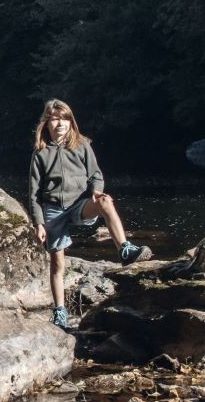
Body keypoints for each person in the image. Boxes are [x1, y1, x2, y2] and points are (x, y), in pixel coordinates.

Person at [27, 98, 151, 329]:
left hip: (78, 204)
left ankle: (124, 248)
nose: (60, 124)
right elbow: (34, 194)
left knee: (106, 201)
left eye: (64, 119)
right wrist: (39, 223)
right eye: (54, 119)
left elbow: (96, 174)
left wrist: (96, 191)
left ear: (71, 122)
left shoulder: (82, 144)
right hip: (52, 209)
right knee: (57, 263)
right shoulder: (40, 154)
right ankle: (60, 311)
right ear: (46, 123)